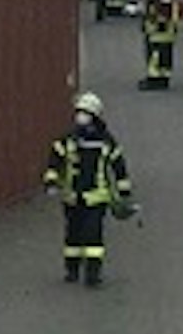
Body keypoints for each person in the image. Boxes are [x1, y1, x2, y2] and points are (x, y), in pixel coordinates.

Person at [44, 92, 134, 287]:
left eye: (84, 112)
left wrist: (124, 192)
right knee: (72, 236)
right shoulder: (68, 139)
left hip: (97, 198)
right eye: (79, 112)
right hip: (72, 198)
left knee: (93, 236)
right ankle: (72, 270)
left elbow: (119, 166)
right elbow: (54, 161)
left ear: (94, 115)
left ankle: (93, 273)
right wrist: (51, 182)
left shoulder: (106, 141)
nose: (80, 116)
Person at [137, 0, 181, 90]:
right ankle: (163, 77)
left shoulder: (162, 0)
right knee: (165, 56)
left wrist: (153, 23)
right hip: (164, 34)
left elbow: (161, 17)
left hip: (158, 34)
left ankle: (154, 79)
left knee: (155, 56)